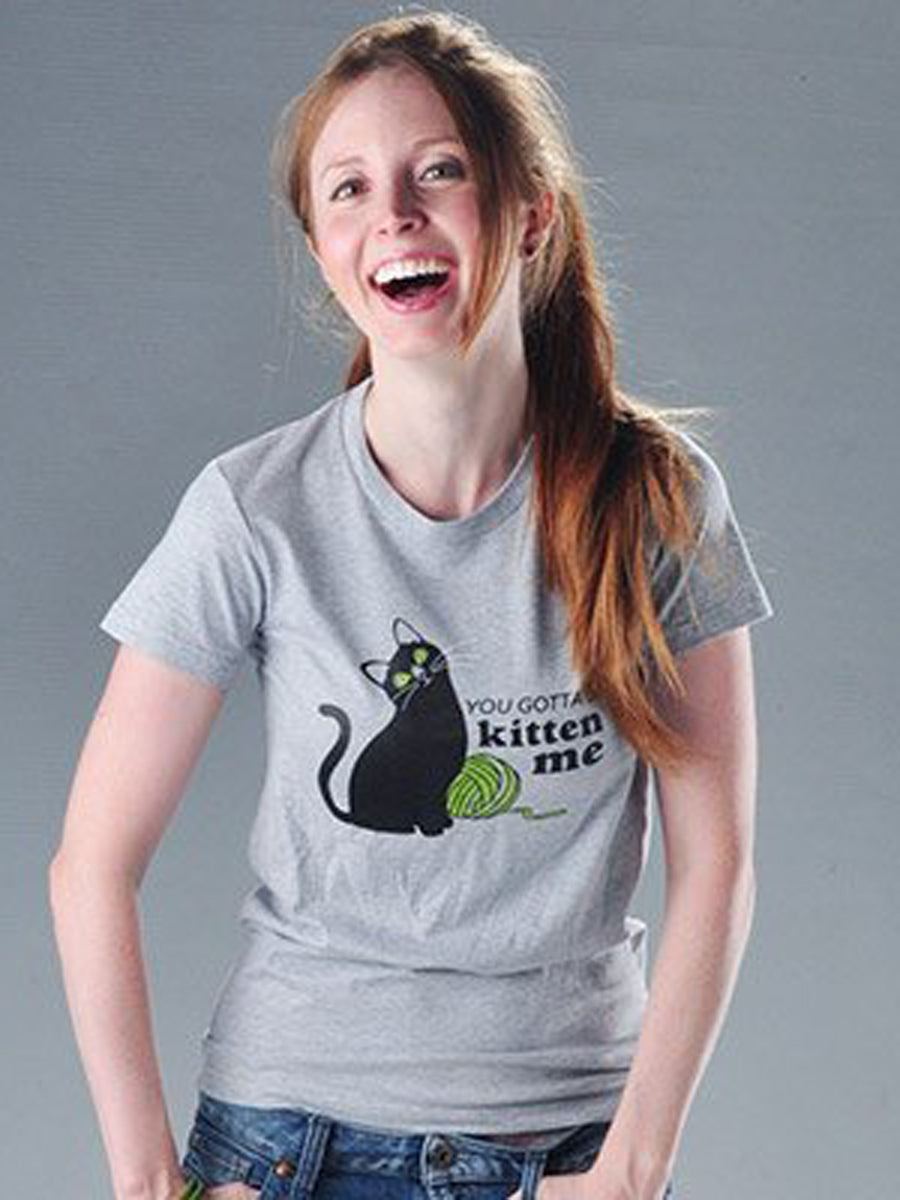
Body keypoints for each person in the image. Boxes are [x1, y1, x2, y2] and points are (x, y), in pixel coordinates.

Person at [49, 11, 773, 1200]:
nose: (392, 213)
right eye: (349, 188)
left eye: (438, 171)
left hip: (569, 1148)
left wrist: (634, 1170)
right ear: (326, 248)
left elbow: (719, 866)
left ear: (530, 213)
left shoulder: (656, 498)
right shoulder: (254, 508)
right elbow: (91, 862)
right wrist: (148, 1185)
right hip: (292, 1147)